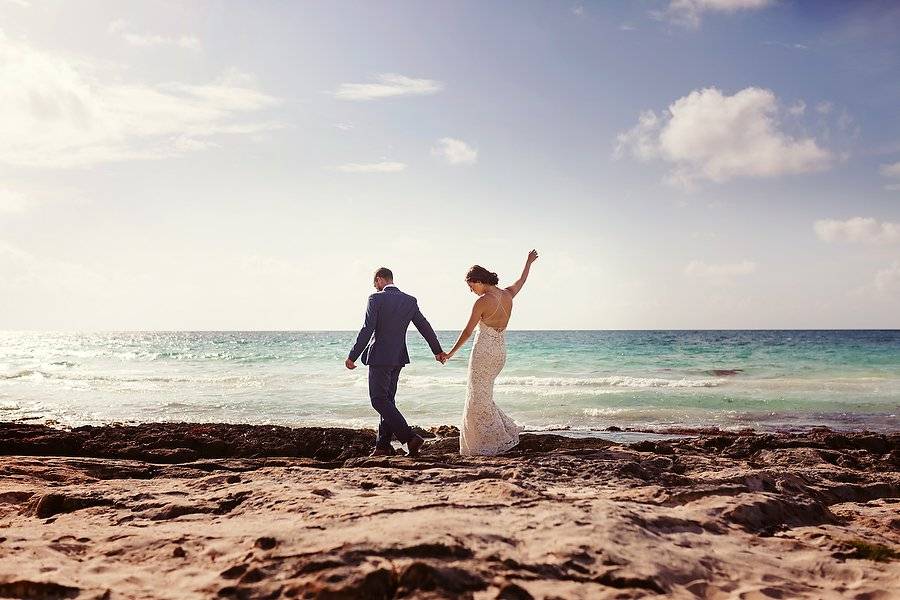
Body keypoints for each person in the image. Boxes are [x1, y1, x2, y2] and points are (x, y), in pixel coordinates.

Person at [445, 250, 538, 455]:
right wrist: (528, 262)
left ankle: (486, 443)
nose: (472, 291)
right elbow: (521, 280)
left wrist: (450, 353)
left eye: (471, 287)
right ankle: (493, 436)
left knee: (476, 397)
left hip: (484, 352)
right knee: (483, 396)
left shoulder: (482, 301)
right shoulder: (507, 295)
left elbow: (468, 331)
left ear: (478, 281)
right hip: (499, 352)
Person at [346, 267, 447, 457]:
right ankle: (382, 446)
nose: (375, 287)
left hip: (379, 357)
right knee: (388, 401)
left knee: (378, 400)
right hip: (397, 358)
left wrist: (353, 355)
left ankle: (410, 437)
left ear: (379, 280)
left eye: (375, 284)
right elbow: (424, 326)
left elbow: (368, 328)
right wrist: (437, 351)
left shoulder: (375, 299)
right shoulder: (409, 300)